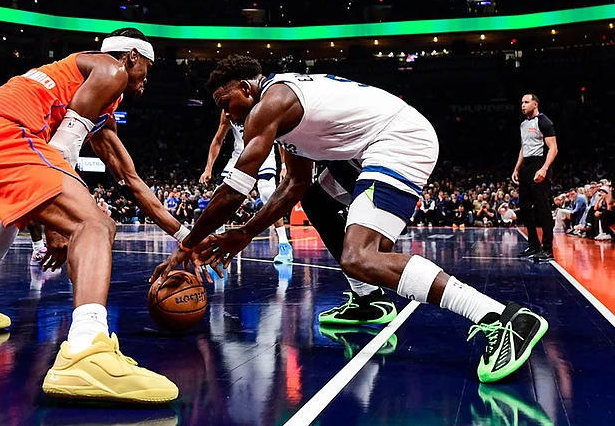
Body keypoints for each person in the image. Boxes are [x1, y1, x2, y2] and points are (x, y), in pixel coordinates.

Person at [153, 56, 548, 384]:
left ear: (245, 88)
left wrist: (187, 244)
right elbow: (294, 184)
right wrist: (243, 233)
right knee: (315, 196)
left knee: (361, 256)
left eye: (226, 103)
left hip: (398, 141)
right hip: (370, 148)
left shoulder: (270, 104)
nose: (226, 114)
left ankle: (503, 318)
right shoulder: (285, 107)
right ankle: (367, 301)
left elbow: (235, 188)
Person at [0, 28, 179, 403]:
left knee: (14, 213)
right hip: (3, 135)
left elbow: (130, 180)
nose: (146, 79)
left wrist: (186, 238)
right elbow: (62, 149)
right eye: (146, 68)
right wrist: (58, 230)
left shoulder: (82, 87)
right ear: (132, 56)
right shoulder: (111, 70)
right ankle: (87, 352)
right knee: (95, 225)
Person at [200, 110, 294, 263]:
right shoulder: (228, 111)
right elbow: (218, 140)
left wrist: (284, 165)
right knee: (219, 195)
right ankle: (218, 243)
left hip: (263, 152)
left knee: (267, 193)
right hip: (240, 155)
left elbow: (280, 137)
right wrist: (208, 168)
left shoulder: (261, 103)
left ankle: (284, 244)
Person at [512, 94, 557, 262]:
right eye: (521, 102)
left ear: (535, 104)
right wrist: (517, 168)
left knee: (543, 208)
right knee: (524, 207)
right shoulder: (523, 124)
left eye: (526, 102)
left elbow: (553, 148)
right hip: (527, 167)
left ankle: (547, 249)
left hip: (540, 164)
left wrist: (544, 168)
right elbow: (523, 148)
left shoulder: (544, 121)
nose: (522, 105)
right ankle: (533, 245)